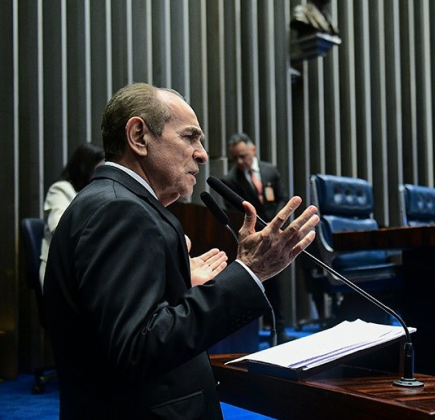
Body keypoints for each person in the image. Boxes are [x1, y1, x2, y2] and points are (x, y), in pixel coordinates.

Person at [43, 82, 319, 419]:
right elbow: (138, 348)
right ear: (139, 136)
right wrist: (250, 272)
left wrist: (178, 285)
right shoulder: (119, 210)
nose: (203, 153)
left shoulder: (118, 202)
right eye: (190, 137)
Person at [222, 133, 292, 343]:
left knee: (278, 285)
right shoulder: (229, 180)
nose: (240, 162)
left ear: (253, 150)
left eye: (243, 156)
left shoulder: (270, 170)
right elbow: (234, 211)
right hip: (256, 237)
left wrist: (276, 224)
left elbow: (282, 198)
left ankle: (280, 330)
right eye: (235, 158)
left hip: (277, 232)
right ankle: (267, 330)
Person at [39, 143, 105, 289]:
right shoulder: (61, 190)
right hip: (60, 271)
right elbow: (60, 229)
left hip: (87, 268)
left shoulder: (100, 193)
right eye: (99, 169)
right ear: (84, 168)